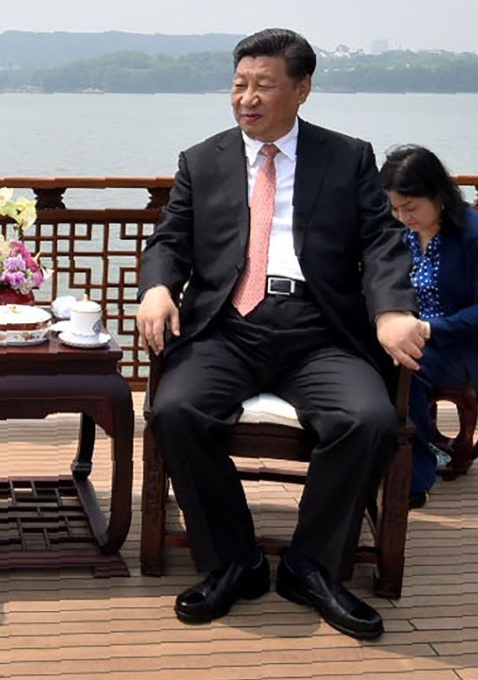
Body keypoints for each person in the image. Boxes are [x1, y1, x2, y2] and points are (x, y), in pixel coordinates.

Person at [136, 29, 426, 640]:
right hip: (227, 328)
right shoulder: (203, 159)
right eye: (239, 85)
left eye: (264, 86)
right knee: (176, 410)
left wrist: (391, 310)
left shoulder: (347, 156)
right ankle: (233, 561)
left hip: (318, 330)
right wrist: (158, 287)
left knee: (368, 419)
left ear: (302, 89)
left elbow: (381, 242)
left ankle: (311, 567)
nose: (247, 98)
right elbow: (168, 240)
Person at [379, 144, 478, 509]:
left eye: (411, 207)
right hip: (417, 336)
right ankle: (392, 460)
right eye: (395, 207)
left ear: (438, 195)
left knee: (403, 369)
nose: (403, 216)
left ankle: (414, 476)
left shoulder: (471, 234)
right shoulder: (400, 233)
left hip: (462, 344)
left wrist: (432, 329)